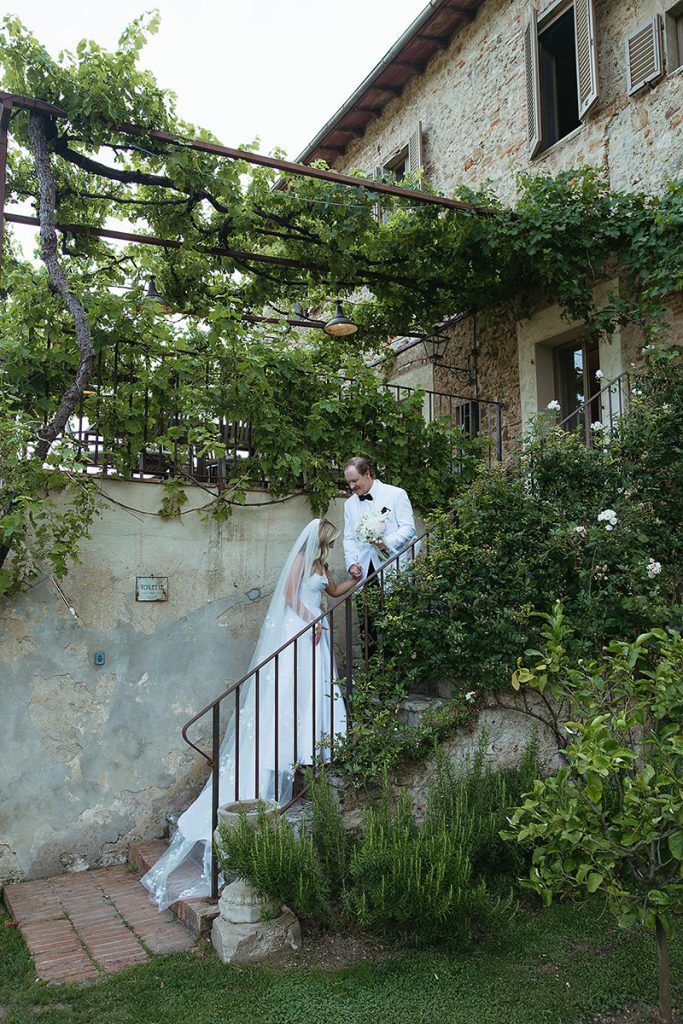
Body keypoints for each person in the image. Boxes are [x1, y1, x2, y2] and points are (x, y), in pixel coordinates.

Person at [140, 518, 356, 910]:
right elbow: (292, 597)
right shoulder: (300, 564)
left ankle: (311, 745)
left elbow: (336, 591)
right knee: (291, 693)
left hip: (316, 632)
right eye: (331, 540)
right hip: (301, 629)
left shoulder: (323, 568)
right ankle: (287, 749)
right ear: (319, 539)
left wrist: (354, 578)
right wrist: (311, 622)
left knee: (313, 693)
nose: (332, 545)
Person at [343, 456, 417, 583]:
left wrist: (386, 543)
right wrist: (352, 564)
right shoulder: (349, 504)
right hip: (364, 572)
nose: (351, 486)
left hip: (392, 567)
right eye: (348, 482)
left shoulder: (396, 494)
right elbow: (349, 538)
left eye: (354, 481)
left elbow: (409, 528)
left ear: (367, 474)